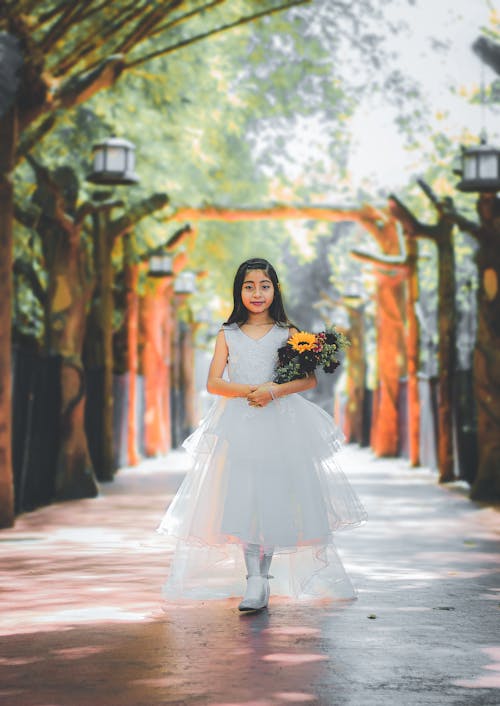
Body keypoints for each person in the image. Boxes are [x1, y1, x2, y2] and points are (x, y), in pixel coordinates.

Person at [157, 257, 367, 611]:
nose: (257, 293)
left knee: (273, 497)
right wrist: (248, 392)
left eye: (264, 286)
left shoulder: (289, 333)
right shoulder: (228, 334)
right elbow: (213, 383)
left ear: (275, 290)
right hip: (239, 425)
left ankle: (263, 578)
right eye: (249, 286)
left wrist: (273, 391)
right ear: (239, 291)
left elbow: (308, 379)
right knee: (242, 497)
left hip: (281, 423)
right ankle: (252, 576)